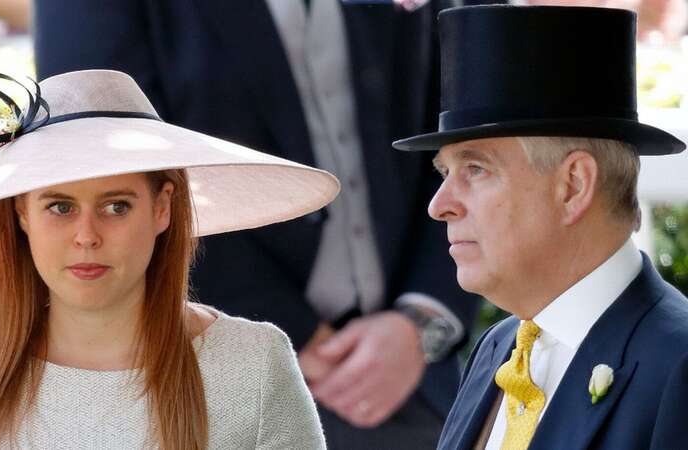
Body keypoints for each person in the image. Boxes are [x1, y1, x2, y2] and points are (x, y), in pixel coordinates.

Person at [32, 1, 482, 448]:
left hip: (413, 388)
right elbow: (103, 164)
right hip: (202, 383)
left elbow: (460, 130)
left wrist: (420, 323)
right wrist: (291, 336)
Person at [0, 69, 338, 449]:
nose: (87, 236)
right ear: (21, 213)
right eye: (60, 207)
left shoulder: (253, 363)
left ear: (162, 207)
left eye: (116, 206)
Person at [393, 5, 688, 450]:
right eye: (443, 173)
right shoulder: (500, 346)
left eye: (475, 169)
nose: (441, 205)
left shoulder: (678, 366)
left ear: (572, 185)